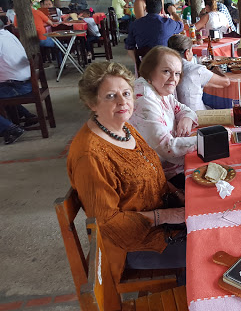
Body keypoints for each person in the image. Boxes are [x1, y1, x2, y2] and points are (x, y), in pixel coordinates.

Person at [67, 61, 186, 289]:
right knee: (205, 250)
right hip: (131, 245)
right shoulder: (90, 156)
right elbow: (108, 222)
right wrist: (167, 216)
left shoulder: (124, 128)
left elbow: (153, 174)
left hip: (157, 221)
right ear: (92, 103)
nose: (122, 102)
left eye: (126, 93)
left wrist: (178, 195)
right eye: (111, 96)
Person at [130, 46, 198, 183]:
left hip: (170, 165)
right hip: (159, 177)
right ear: (150, 71)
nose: (173, 78)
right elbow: (166, 147)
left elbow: (184, 109)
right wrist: (207, 140)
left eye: (177, 73)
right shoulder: (144, 97)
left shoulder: (159, 89)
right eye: (167, 71)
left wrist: (187, 118)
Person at [0, 19, 39, 144]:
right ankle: (26, 115)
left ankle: (9, 128)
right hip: (24, 82)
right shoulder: (8, 35)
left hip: (16, 86)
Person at [167, 35, 230, 111]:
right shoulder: (196, 70)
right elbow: (226, 82)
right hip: (196, 116)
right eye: (191, 51)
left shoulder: (164, 68)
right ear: (187, 53)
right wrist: (215, 68)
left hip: (173, 115)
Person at [125, 0, 183, 64]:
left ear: (146, 9)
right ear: (161, 10)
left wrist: (138, 63)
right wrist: (173, 13)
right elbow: (181, 25)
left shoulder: (135, 24)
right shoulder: (168, 23)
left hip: (145, 65)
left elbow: (129, 47)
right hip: (165, 64)